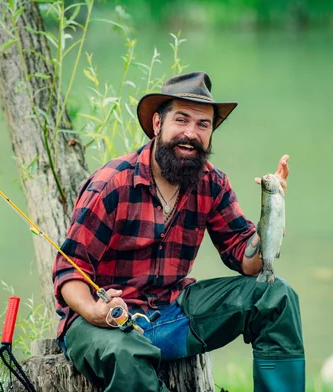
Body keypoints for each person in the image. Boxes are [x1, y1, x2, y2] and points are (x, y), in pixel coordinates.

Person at [52, 72, 304, 391]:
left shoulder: (212, 184)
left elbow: (248, 261)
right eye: (182, 120)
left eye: (203, 125)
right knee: (125, 353)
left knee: (275, 295)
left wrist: (272, 211)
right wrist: (94, 311)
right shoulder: (112, 184)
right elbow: (67, 272)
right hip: (106, 323)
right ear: (158, 124)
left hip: (173, 313)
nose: (191, 133)